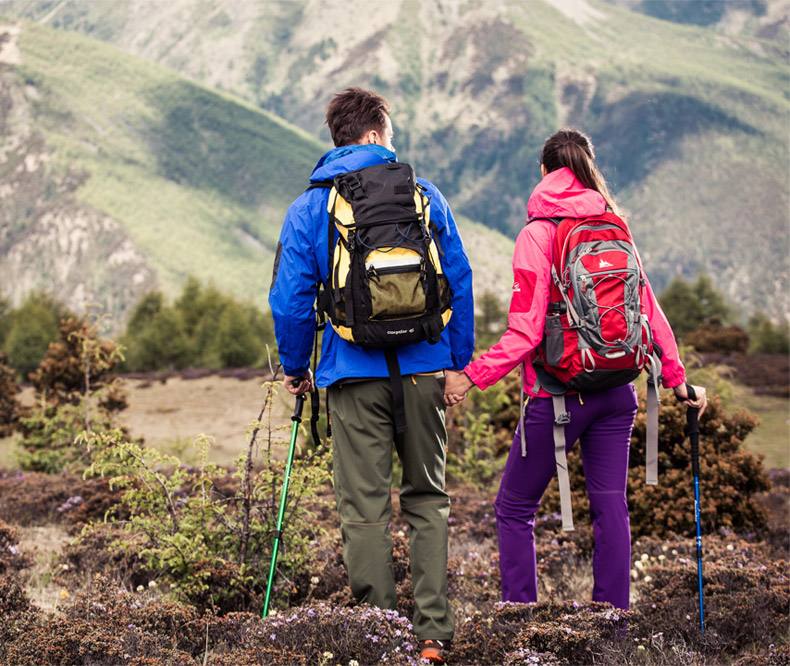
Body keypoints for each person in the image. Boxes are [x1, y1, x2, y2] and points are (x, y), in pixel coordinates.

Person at [443, 128, 707, 609]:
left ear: (543, 172)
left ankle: (521, 619)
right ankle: (613, 624)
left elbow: (524, 333)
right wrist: (677, 380)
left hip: (557, 397)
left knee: (514, 508)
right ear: (586, 169)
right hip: (618, 392)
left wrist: (471, 376)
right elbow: (649, 308)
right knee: (610, 508)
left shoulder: (537, 233)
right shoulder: (615, 225)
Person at [269, 87, 474, 664]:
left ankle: (379, 634)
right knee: (428, 499)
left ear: (336, 137)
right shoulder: (425, 195)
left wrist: (296, 367)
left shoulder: (311, 206)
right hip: (424, 372)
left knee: (364, 509)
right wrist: (457, 363)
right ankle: (433, 635)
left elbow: (289, 300)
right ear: (378, 134)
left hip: (350, 374)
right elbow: (459, 278)